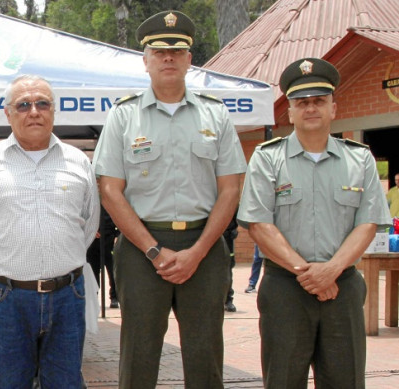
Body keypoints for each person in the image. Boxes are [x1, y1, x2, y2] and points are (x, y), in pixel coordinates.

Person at [91, 10, 247, 388]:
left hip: (204, 244)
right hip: (141, 248)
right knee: (139, 354)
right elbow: (110, 190)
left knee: (205, 355)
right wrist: (154, 250)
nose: (168, 58)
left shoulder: (215, 114)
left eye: (177, 51)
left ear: (189, 59)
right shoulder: (124, 116)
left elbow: (231, 188)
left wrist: (198, 251)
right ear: (145, 60)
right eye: (159, 52)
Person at [238, 57, 391, 388]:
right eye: (301, 102)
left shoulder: (359, 158)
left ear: (333, 109)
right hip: (285, 288)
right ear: (290, 112)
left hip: (342, 287)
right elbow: (259, 224)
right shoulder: (267, 158)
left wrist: (331, 270)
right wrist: (309, 274)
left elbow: (368, 224)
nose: (310, 108)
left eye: (319, 101)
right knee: (283, 380)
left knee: (345, 380)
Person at [0, 74, 100, 388]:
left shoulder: (78, 161)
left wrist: (60, 257)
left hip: (68, 296)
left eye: (42, 104)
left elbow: (89, 223)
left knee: (65, 383)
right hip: (7, 298)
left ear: (54, 111)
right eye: (23, 105)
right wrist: (4, 263)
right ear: (8, 113)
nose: (33, 111)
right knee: (10, 382)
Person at [86, 206, 119, 308]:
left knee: (113, 271)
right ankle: (93, 297)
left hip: (109, 240)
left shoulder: (110, 201)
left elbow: (119, 218)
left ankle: (114, 298)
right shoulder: (88, 202)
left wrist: (117, 235)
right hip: (92, 242)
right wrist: (90, 230)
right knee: (93, 272)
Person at [223, 213, 239, 312]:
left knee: (228, 270)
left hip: (227, 236)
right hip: (209, 236)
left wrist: (234, 229)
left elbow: (236, 214)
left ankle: (228, 300)